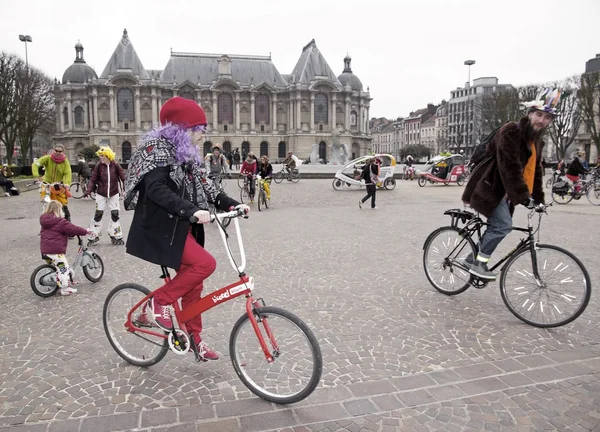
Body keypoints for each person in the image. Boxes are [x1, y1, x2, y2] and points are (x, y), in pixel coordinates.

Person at [123, 96, 249, 361]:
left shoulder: (187, 153)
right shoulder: (156, 149)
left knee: (194, 287)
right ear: (181, 129)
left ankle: (194, 340)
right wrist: (191, 210)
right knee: (205, 264)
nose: (203, 135)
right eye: (198, 129)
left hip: (184, 227)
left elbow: (207, 186)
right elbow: (155, 189)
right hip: (162, 227)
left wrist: (232, 204)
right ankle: (160, 301)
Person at [461, 88, 558, 280]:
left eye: (547, 117)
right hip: (491, 187)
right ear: (530, 114)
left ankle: (471, 259)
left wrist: (538, 199)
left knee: (498, 226)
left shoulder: (537, 141)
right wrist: (523, 197)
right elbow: (509, 167)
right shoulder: (511, 131)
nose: (542, 120)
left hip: (507, 193)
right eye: (539, 115)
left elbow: (535, 172)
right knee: (503, 225)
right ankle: (478, 263)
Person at [40, 201, 94, 296]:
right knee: (63, 268)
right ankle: (65, 288)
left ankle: (53, 285)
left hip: (45, 250)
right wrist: (86, 231)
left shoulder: (45, 221)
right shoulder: (60, 221)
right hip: (55, 251)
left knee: (56, 267)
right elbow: (73, 228)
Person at [87, 146, 127, 245]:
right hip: (101, 193)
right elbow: (93, 178)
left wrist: (125, 190)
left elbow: (123, 178)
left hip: (114, 193)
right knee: (98, 214)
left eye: (102, 156)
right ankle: (94, 234)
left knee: (115, 214)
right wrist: (89, 190)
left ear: (108, 156)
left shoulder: (116, 165)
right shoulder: (99, 166)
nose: (101, 158)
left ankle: (115, 234)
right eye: (100, 156)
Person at [32, 144, 73, 221]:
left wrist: (67, 183)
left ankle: (68, 225)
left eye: (60, 151)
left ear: (63, 152)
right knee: (46, 205)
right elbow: (36, 164)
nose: (57, 152)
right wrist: (36, 175)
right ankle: (45, 227)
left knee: (63, 205)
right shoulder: (48, 158)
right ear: (53, 150)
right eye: (56, 150)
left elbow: (68, 172)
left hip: (58, 186)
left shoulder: (65, 161)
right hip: (46, 185)